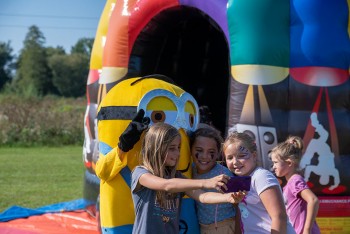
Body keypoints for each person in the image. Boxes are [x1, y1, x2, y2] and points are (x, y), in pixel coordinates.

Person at [131, 123, 246, 234]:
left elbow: (203, 196)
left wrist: (228, 198)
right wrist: (206, 182)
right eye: (172, 148)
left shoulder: (178, 177)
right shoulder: (140, 173)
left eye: (178, 148)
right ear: (156, 147)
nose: (177, 153)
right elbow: (166, 185)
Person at [223, 131, 295, 234]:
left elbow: (279, 216)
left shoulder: (261, 177)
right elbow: (241, 215)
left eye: (241, 156)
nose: (235, 162)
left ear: (254, 155)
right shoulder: (240, 180)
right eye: (230, 158)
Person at [190, 124, 241, 234]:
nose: (205, 156)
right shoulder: (190, 170)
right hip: (201, 228)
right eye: (199, 150)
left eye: (211, 152)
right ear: (190, 149)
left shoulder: (225, 174)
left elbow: (239, 207)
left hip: (225, 227)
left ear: (218, 153)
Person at [270, 136, 320, 234]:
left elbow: (313, 200)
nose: (273, 167)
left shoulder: (295, 180)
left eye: (276, 162)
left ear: (289, 163)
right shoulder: (288, 184)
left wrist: (307, 230)